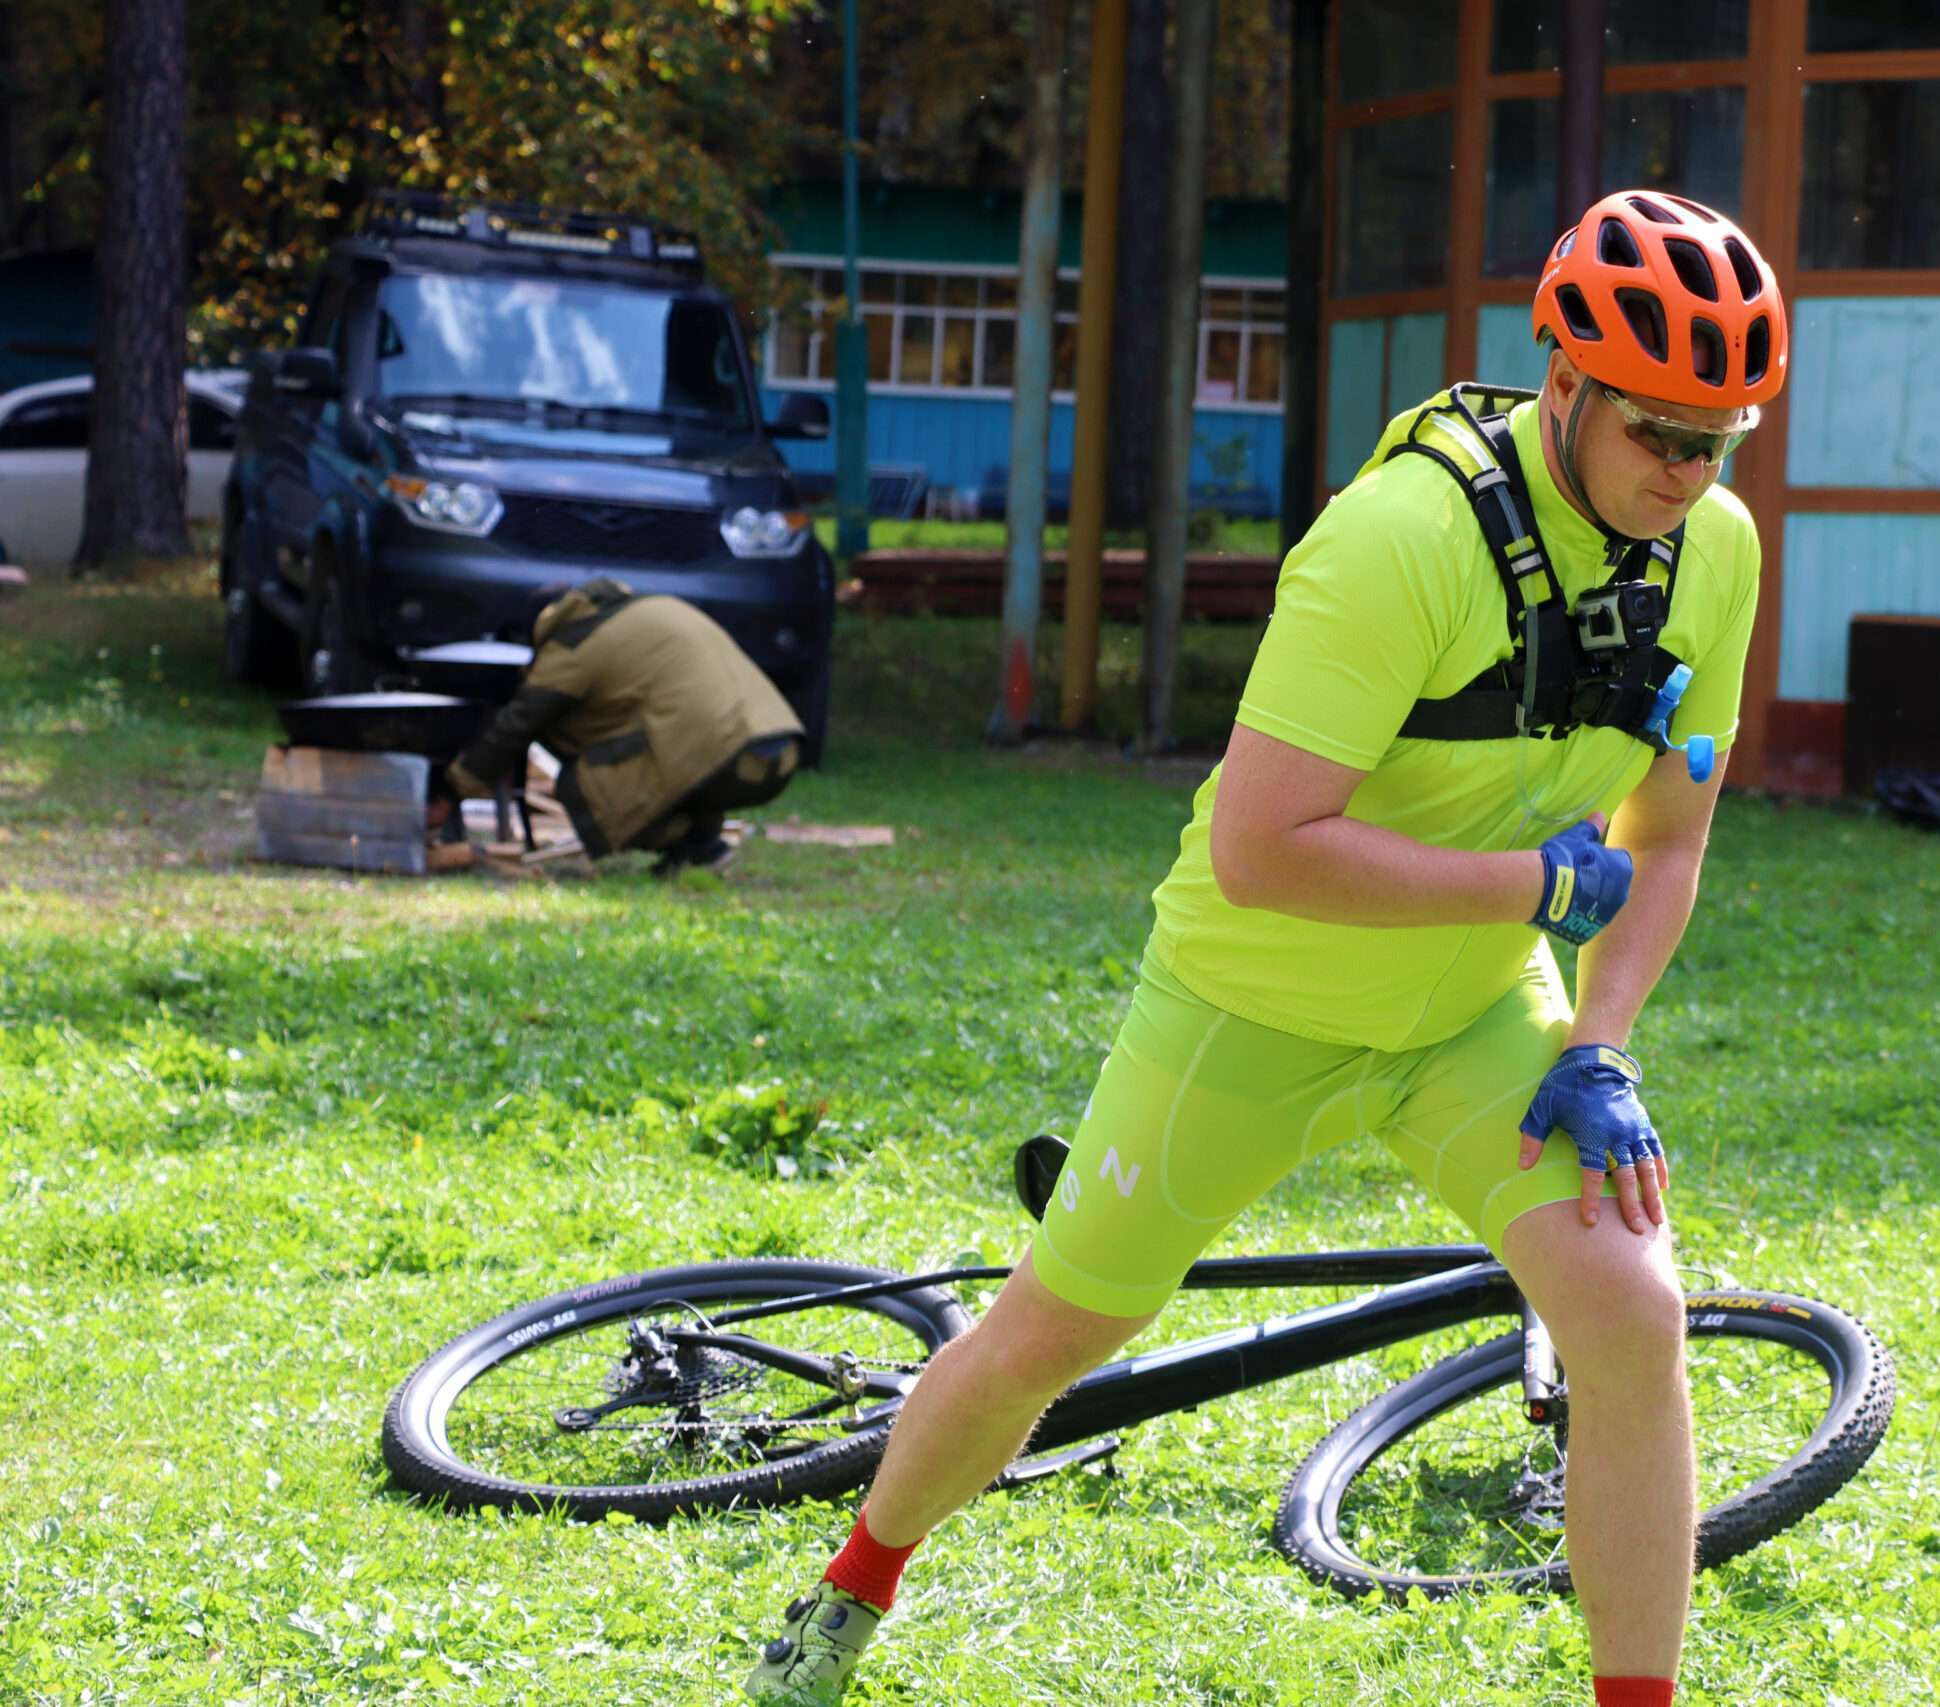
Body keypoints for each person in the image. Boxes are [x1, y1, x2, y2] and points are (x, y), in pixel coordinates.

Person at [744, 190, 1785, 1707]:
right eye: (1659, 434)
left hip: (1471, 1012)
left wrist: (1601, 1036)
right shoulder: (1401, 540)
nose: (1687, 475)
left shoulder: (1715, 551)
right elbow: (1264, 846)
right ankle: (853, 1588)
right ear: (1564, 379)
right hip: (1251, 999)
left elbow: (1669, 838)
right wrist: (1528, 885)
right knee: (1055, 1332)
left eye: (1720, 442)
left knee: (1632, 1311)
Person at [446, 577, 803, 876]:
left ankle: (695, 847)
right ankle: (698, 845)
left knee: (582, 781)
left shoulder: (575, 641)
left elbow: (518, 723)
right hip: (777, 747)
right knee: (669, 753)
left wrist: (454, 788)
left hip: (725, 754)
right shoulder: (654, 607)